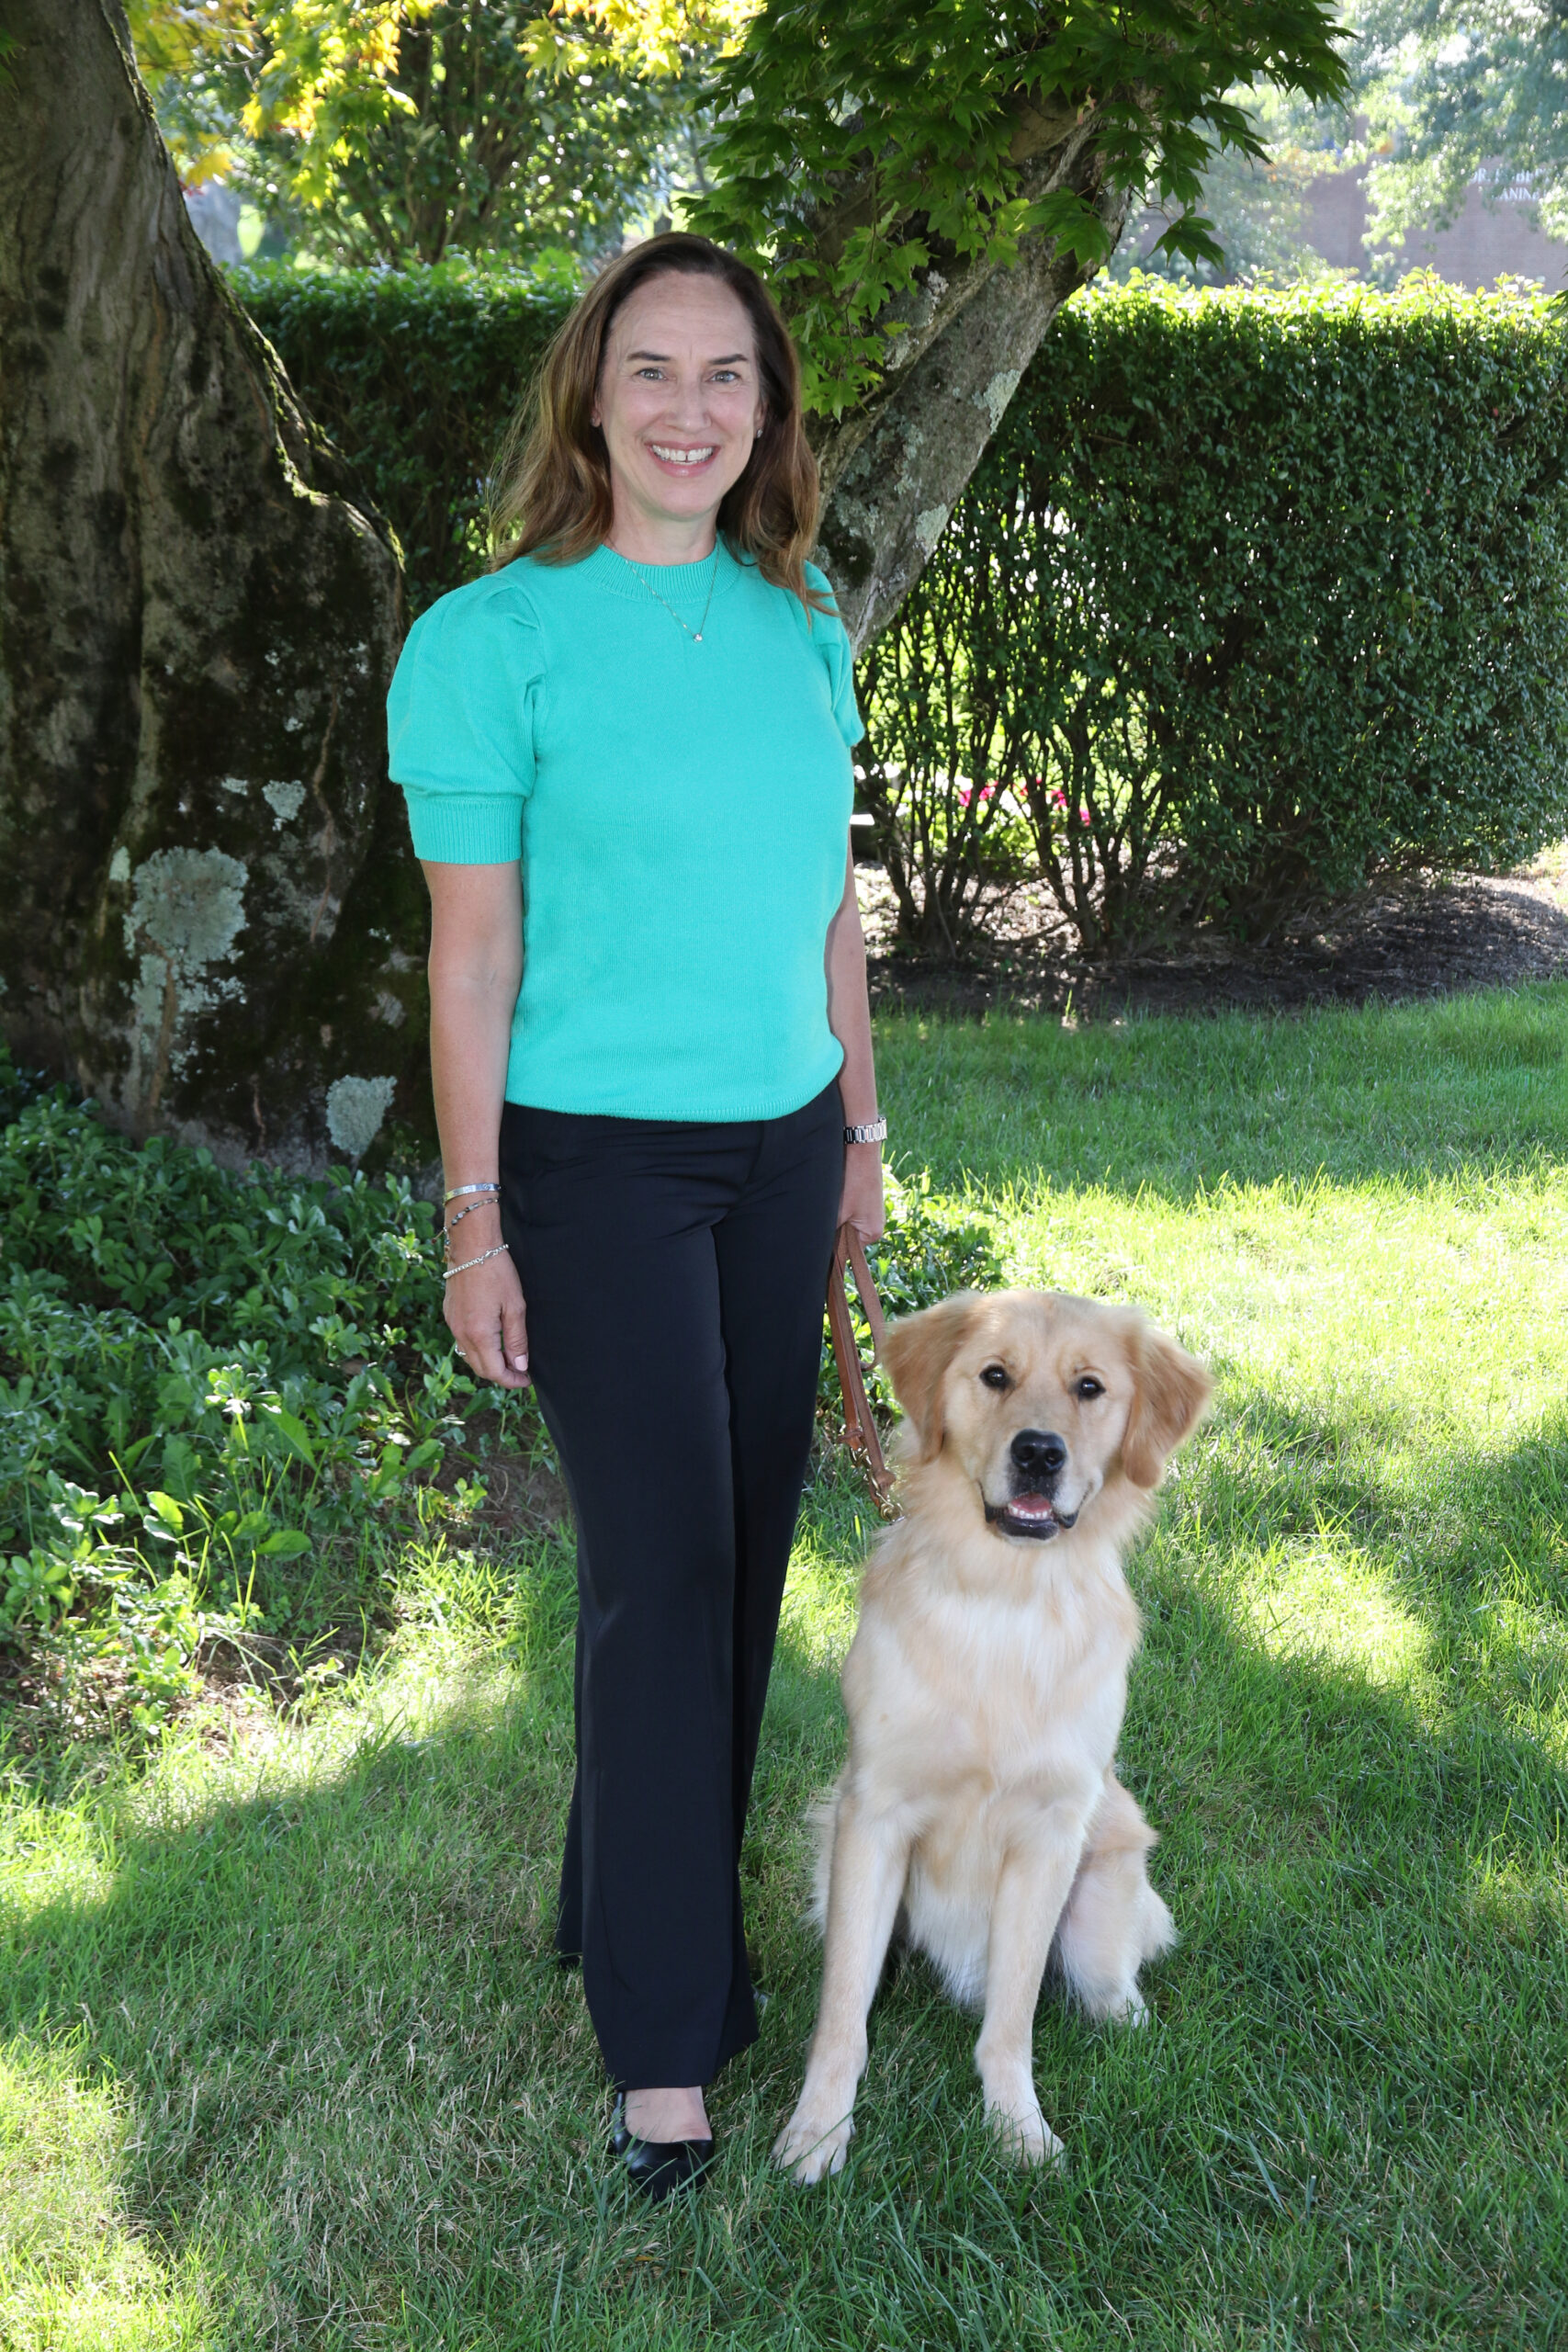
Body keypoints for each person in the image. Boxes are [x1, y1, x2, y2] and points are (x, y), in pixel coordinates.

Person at [387, 232, 885, 2201]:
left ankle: (618, 1905)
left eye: (728, 379)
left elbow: (825, 901)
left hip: (778, 1143)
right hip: (589, 1160)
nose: (690, 410)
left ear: (766, 415)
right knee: (659, 1572)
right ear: (589, 397)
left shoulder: (801, 618)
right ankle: (666, 2047)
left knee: (744, 1555)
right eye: (653, 372)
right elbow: (470, 957)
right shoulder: (486, 639)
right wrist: (473, 1216)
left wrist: (854, 1129)